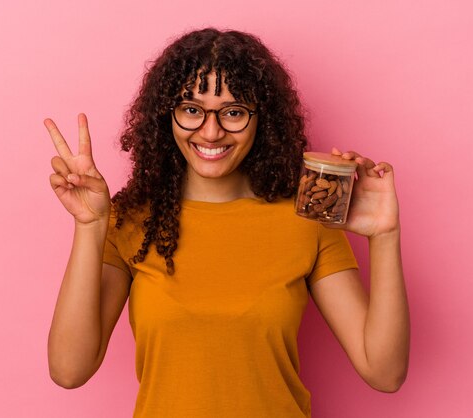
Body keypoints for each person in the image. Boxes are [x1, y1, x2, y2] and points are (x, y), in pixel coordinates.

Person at [45, 28, 409, 418]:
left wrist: (385, 236)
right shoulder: (129, 220)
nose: (211, 131)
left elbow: (384, 372)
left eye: (233, 112)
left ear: (261, 119)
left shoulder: (307, 218)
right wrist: (89, 227)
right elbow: (69, 370)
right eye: (191, 109)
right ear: (167, 114)